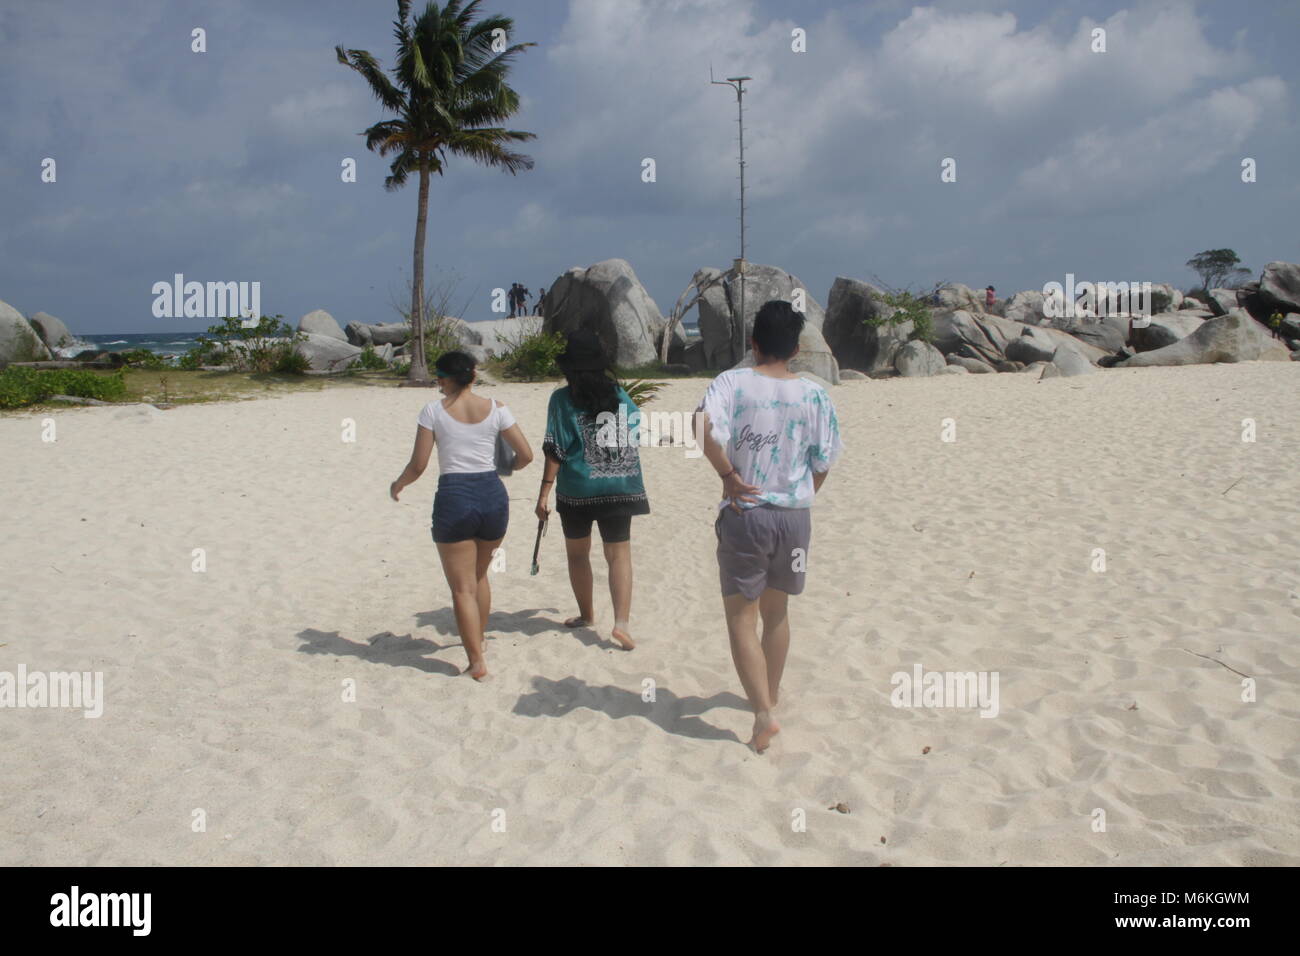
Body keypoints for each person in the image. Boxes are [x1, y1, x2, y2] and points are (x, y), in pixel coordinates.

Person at [695, 300, 843, 752]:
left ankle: (762, 714)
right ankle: (771, 697)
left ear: (753, 343)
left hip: (746, 513)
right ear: (796, 348)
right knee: (777, 613)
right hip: (794, 519)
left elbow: (701, 426)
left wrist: (727, 475)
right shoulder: (816, 394)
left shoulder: (732, 382)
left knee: (741, 618)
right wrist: (802, 493)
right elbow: (825, 459)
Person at [390, 350, 533, 680]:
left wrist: (398, 484)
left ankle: (477, 661)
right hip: (493, 495)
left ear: (449, 378)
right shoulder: (497, 408)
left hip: (455, 496)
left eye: (439, 377)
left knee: (462, 588)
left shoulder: (433, 412)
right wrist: (503, 468)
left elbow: (418, 465)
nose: (437, 383)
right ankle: (478, 639)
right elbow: (525, 455)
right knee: (479, 576)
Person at [536, 329, 649, 650]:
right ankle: (622, 624)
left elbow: (555, 448)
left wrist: (544, 493)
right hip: (620, 485)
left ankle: (587, 615)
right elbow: (636, 426)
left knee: (578, 554)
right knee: (619, 555)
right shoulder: (617, 394)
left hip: (578, 489)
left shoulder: (561, 399)